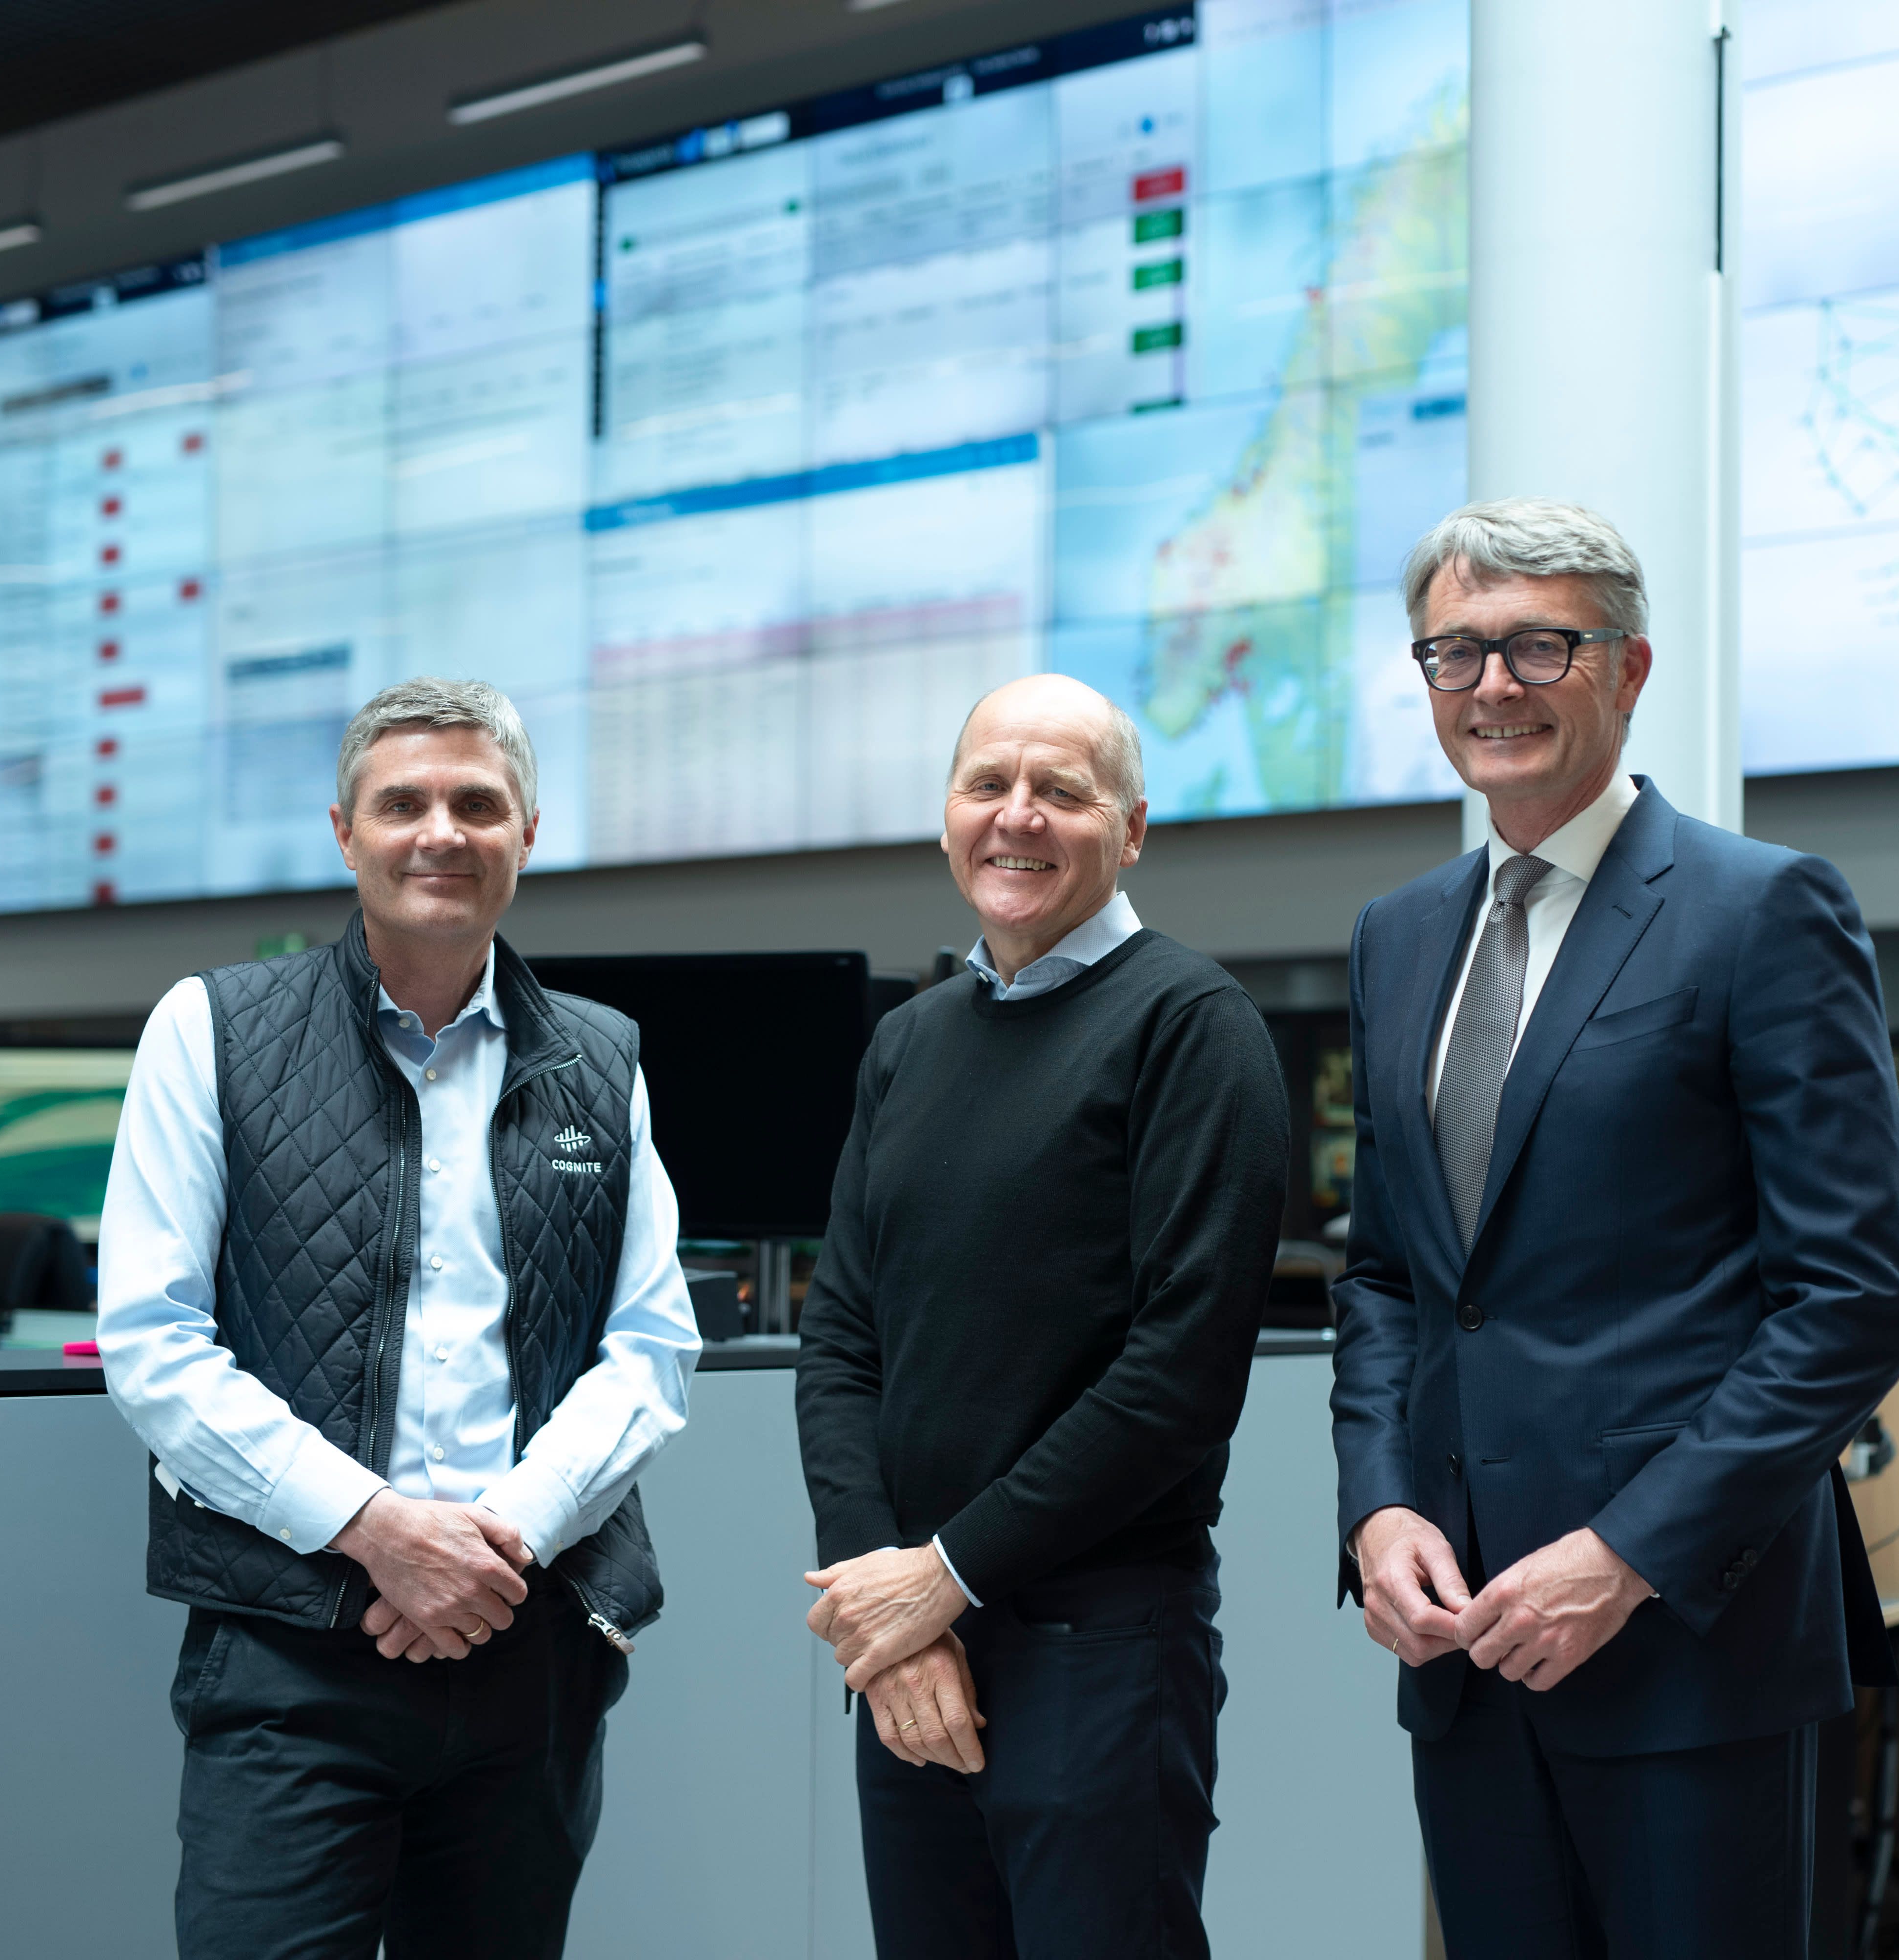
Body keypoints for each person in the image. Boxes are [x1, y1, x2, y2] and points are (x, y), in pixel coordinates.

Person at [1329, 499, 1899, 1958]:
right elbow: (1391, 1277)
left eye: (1541, 644)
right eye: (1455, 652)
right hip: (1467, 1644)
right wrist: (1379, 1507)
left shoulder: (1760, 909)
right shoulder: (1398, 936)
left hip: (1684, 1650)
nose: (1493, 686)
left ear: (1631, 669)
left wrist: (1630, 1552)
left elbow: (1851, 1298)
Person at [99, 677, 703, 1960]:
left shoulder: (601, 1058)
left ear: (527, 835)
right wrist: (378, 1533)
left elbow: (650, 1350)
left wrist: (498, 1548)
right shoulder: (209, 1031)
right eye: (405, 803)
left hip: (525, 1655)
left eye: (478, 803)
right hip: (293, 1661)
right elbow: (155, 1347)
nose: (443, 831)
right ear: (345, 832)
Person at [794, 673, 1291, 1960]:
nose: (1018, 816)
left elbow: (1178, 1376)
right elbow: (842, 1335)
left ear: (1130, 831)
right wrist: (884, 1613)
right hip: (912, 1650)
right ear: (948, 816)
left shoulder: (1192, 1028)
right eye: (988, 785)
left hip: (1099, 1647)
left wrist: (942, 1576)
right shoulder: (909, 1042)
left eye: (1061, 791)